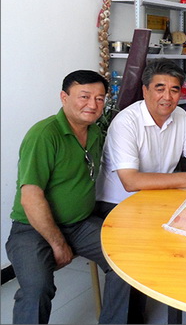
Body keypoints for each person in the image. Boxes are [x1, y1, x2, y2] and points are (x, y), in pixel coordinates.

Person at [5, 70, 129, 324]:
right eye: (84, 96)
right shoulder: (44, 134)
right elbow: (30, 197)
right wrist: (58, 243)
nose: (93, 104)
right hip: (32, 228)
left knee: (126, 261)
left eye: (100, 98)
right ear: (64, 97)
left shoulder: (95, 133)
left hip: (80, 224)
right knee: (37, 289)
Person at [96, 58, 186, 211]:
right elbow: (131, 181)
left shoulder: (180, 116)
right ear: (145, 91)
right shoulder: (126, 122)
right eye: (160, 90)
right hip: (119, 203)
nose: (167, 97)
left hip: (159, 196)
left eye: (174, 90)